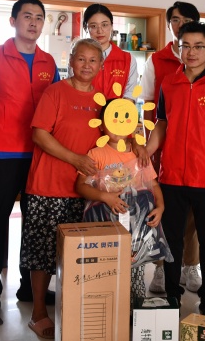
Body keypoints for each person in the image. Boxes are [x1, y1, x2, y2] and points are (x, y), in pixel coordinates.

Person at [146, 21, 205, 318]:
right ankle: (172, 295)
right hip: (172, 176)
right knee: (171, 241)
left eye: (199, 46)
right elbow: (162, 123)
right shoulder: (168, 83)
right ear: (179, 48)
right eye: (186, 46)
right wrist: (146, 151)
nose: (192, 52)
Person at [0, 0, 60, 326]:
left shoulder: (48, 62)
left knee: (35, 223)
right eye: (27, 16)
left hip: (39, 155)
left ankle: (29, 288)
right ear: (13, 21)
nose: (33, 22)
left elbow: (57, 108)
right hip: (2, 154)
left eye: (39, 17)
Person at [20, 38, 103, 339]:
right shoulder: (54, 92)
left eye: (93, 60)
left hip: (85, 190)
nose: (86, 65)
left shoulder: (103, 101)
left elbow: (113, 137)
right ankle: (38, 312)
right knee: (42, 252)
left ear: (100, 65)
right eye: (81, 58)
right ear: (70, 61)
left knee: (79, 255)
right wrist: (75, 159)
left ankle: (73, 308)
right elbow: (40, 135)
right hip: (48, 185)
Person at [140, 1, 205, 294]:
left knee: (194, 221)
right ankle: (162, 269)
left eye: (186, 19)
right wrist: (148, 147)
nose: (180, 24)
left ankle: (190, 265)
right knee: (164, 213)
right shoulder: (156, 61)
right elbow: (150, 108)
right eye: (175, 19)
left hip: (200, 158)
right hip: (164, 150)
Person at [75, 99, 164, 305]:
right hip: (106, 226)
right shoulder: (96, 154)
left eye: (126, 118)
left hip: (136, 230)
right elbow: (81, 186)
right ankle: (111, 309)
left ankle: (134, 311)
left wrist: (161, 207)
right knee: (107, 271)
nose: (119, 124)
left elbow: (154, 185)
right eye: (113, 118)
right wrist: (105, 196)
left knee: (135, 273)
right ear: (102, 124)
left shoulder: (139, 154)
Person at [81, 3, 138, 99]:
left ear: (111, 26)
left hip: (118, 109)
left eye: (104, 25)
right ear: (86, 28)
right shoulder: (78, 59)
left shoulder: (128, 60)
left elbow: (130, 95)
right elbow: (74, 92)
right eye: (93, 26)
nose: (100, 31)